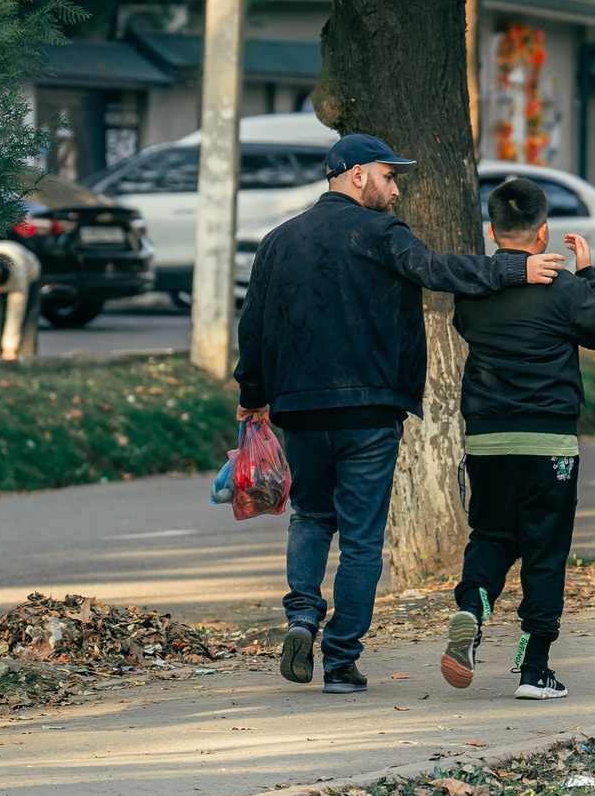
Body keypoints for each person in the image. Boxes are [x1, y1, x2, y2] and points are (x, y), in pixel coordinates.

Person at [236, 135, 560, 694]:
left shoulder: (278, 241)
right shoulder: (383, 234)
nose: (395, 187)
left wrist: (253, 393)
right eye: (388, 176)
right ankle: (340, 661)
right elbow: (437, 270)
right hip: (370, 408)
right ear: (357, 175)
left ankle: (302, 618)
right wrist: (515, 271)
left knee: (311, 518)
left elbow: (255, 324)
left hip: (300, 409)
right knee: (362, 540)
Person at [439, 175, 595, 700]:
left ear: (493, 231)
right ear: (542, 234)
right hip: (549, 443)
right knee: (544, 549)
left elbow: (469, 323)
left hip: (488, 440)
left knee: (493, 535)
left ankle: (471, 609)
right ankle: (534, 667)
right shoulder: (565, 288)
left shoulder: (474, 291)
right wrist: (588, 275)